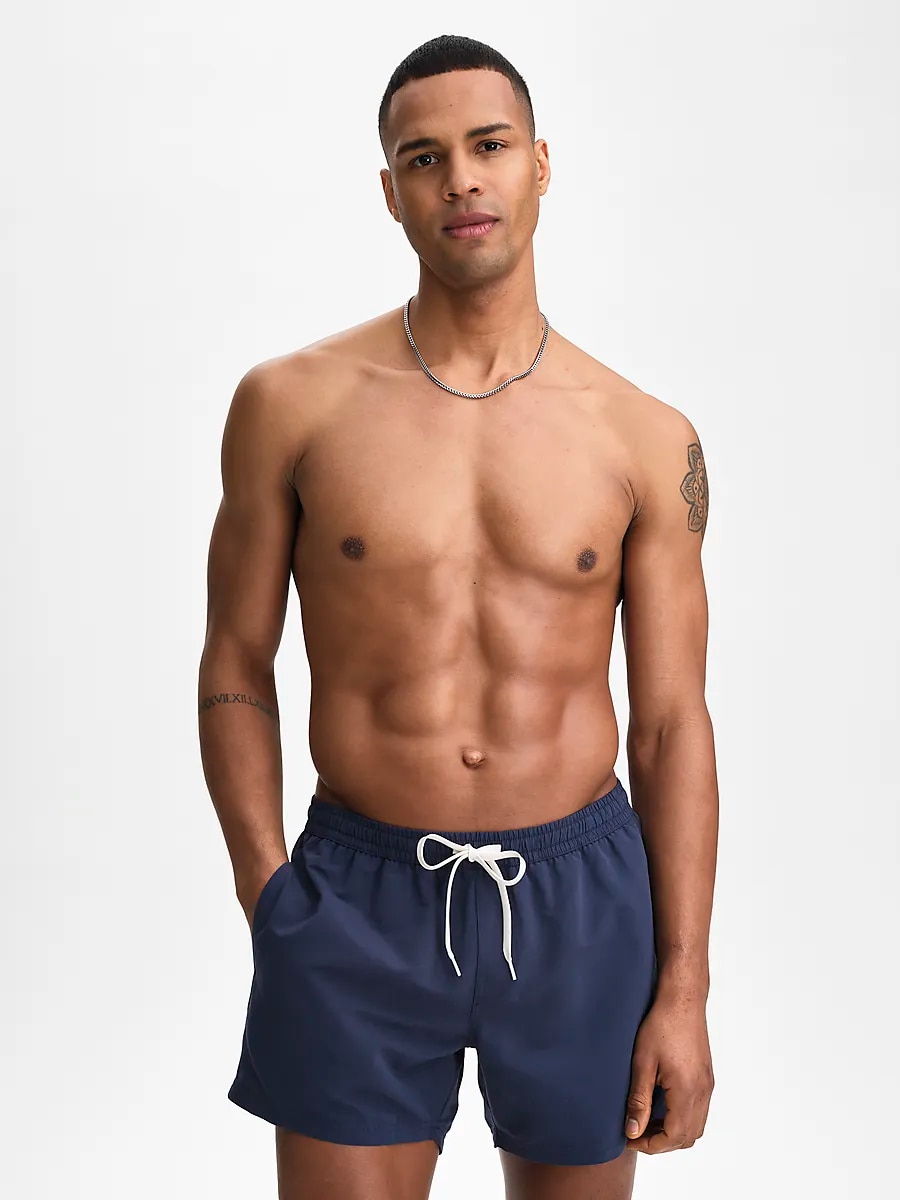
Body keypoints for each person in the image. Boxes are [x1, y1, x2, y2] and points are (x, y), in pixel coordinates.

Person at [198, 32, 717, 1200]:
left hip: (582, 902)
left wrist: (683, 986)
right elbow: (234, 658)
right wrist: (267, 893)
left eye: (489, 147)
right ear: (391, 192)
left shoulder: (646, 438)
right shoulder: (291, 406)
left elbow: (672, 722)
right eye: (424, 159)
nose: (461, 180)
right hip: (356, 896)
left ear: (541, 164)